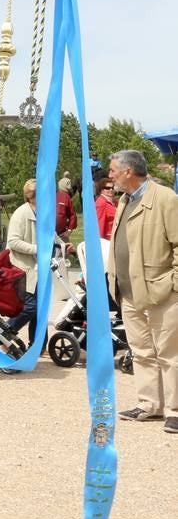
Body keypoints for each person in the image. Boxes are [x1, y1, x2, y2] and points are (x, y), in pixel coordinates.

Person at [106, 150, 178, 433]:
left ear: (128, 172)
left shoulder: (165, 199)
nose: (109, 176)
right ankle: (149, 404)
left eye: (113, 171)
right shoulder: (125, 200)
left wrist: (173, 283)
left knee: (170, 354)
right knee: (141, 351)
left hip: (161, 292)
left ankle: (175, 409)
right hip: (129, 291)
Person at [4, 180, 42, 346]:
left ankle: (38, 344)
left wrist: (63, 245)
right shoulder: (21, 214)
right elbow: (13, 242)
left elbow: (51, 235)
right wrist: (36, 249)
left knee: (41, 308)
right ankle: (5, 334)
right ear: (31, 196)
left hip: (39, 269)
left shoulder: (43, 212)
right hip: (23, 269)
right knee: (30, 307)